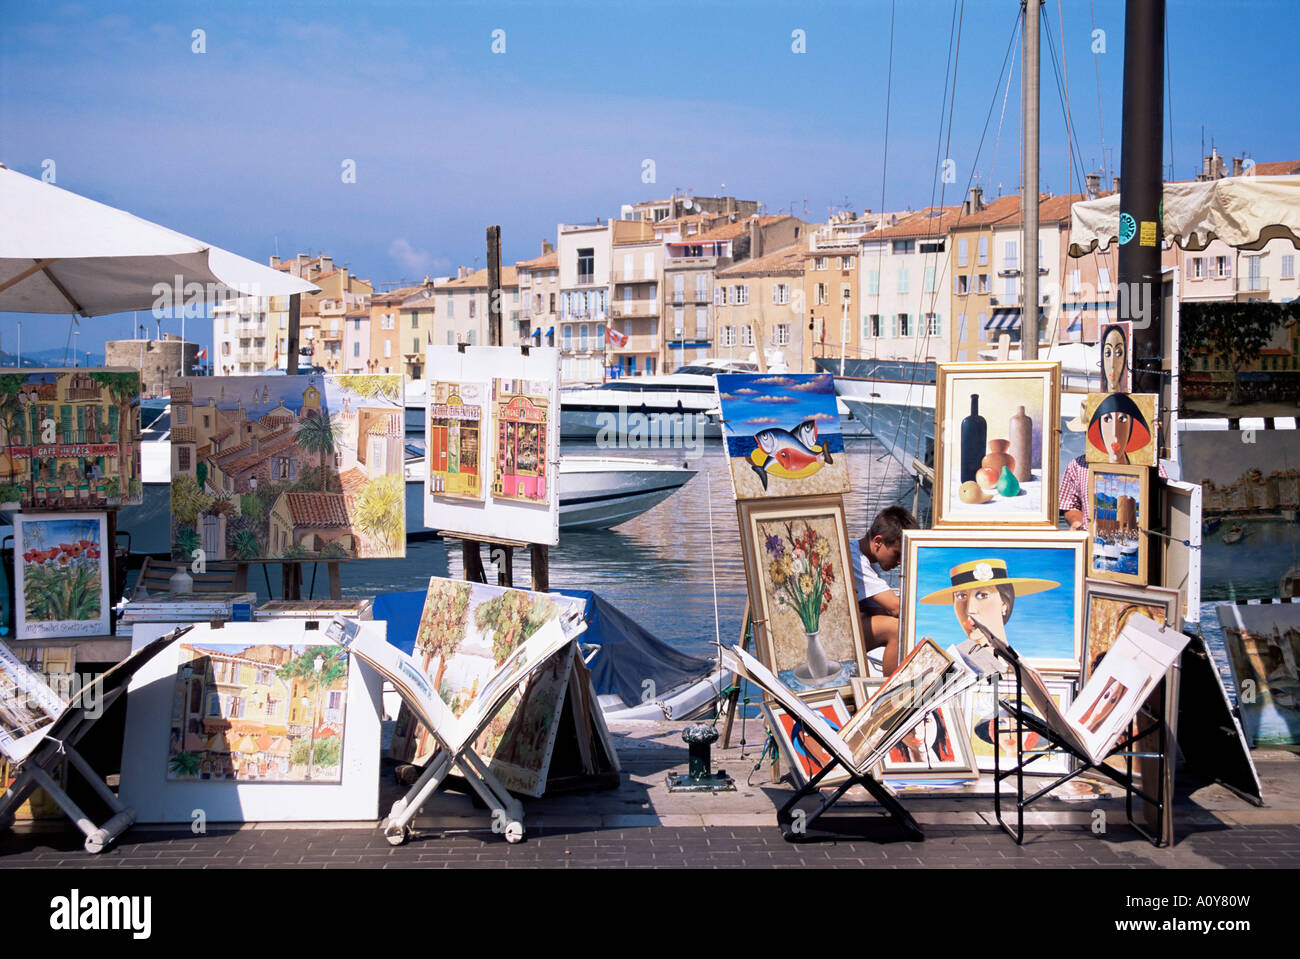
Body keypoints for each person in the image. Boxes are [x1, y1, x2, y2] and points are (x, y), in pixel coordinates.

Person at [917, 558, 1059, 650]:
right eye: (961, 596)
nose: (970, 609)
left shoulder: (1021, 667)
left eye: (982, 595)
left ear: (1004, 602)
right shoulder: (950, 665)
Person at [847, 505, 919, 675]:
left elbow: (878, 607)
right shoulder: (855, 559)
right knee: (895, 628)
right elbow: (896, 607)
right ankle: (890, 692)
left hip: (848, 626)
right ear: (878, 542)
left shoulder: (865, 558)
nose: (901, 561)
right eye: (897, 554)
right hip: (835, 634)